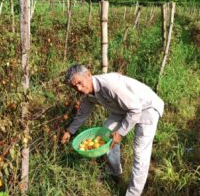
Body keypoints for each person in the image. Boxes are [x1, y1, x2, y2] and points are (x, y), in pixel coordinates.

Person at [61, 64, 164, 196]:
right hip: (124, 109)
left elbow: (135, 109)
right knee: (106, 135)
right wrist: (69, 131)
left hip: (146, 107)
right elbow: (83, 113)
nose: (79, 88)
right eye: (75, 87)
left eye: (80, 83)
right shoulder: (89, 93)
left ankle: (133, 193)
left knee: (140, 152)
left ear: (88, 74)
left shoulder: (109, 85)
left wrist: (120, 133)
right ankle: (114, 172)